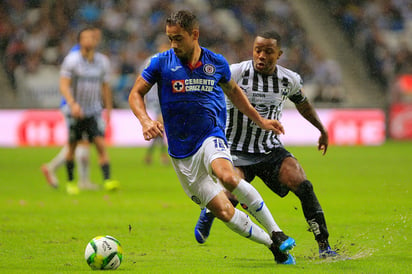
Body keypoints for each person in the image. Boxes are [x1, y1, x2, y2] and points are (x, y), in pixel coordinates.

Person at [129, 10, 296, 265]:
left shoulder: (216, 63)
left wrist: (260, 120)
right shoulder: (160, 63)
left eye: (178, 38)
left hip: (211, 135)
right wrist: (145, 121)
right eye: (170, 38)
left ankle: (277, 231)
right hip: (182, 155)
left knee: (227, 176)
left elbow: (235, 92)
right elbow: (135, 94)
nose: (174, 44)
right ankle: (272, 245)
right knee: (224, 211)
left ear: (194, 35)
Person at [193, 30, 338, 258]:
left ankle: (325, 247)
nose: (261, 55)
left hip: (269, 149)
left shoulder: (288, 80)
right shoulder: (236, 72)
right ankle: (209, 211)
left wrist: (321, 129)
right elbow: (207, 94)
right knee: (229, 197)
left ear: (278, 54)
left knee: (304, 186)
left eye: (268, 52)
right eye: (257, 50)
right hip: (235, 150)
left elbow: (303, 104)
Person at [41, 27, 103, 190]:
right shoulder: (77, 55)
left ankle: (74, 176)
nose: (95, 40)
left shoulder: (93, 57)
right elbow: (66, 83)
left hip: (88, 107)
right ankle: (81, 180)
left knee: (80, 143)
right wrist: (72, 103)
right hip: (73, 107)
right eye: (93, 37)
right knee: (79, 143)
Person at [60, 26, 118, 195]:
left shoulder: (102, 61)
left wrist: (108, 109)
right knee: (72, 147)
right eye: (85, 38)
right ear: (80, 41)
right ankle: (71, 182)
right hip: (75, 111)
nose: (89, 41)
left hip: (93, 111)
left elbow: (106, 87)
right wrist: (72, 104)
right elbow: (64, 85)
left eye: (92, 38)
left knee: (101, 145)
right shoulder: (71, 60)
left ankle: (107, 180)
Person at [140, 39, 170, 165]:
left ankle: (149, 156)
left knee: (159, 128)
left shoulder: (169, 61)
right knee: (160, 127)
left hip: (165, 100)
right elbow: (141, 79)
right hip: (156, 100)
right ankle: (162, 155)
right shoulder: (152, 61)